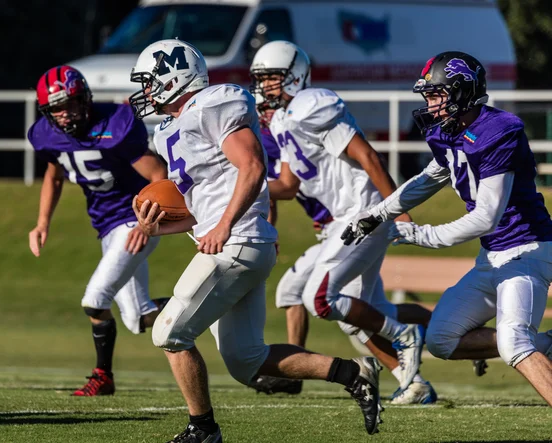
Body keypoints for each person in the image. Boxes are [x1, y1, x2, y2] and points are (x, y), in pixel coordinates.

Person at [130, 39, 383, 441]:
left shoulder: (211, 105)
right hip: (232, 241)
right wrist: (153, 226)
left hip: (238, 240)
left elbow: (251, 165)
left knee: (168, 333)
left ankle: (203, 429)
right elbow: (199, 209)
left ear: (174, 78)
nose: (144, 91)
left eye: (150, 81)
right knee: (247, 361)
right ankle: (354, 373)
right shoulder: (168, 131)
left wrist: (226, 226)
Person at [342, 51, 552, 406]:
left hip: (527, 251)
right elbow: (428, 179)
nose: (431, 104)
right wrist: (377, 213)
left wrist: (420, 234)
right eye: (428, 96)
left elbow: (487, 216)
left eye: (437, 95)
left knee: (514, 343)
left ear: (463, 91)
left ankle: (526, 347)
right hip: (492, 257)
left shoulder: (499, 131)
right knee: (441, 340)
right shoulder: (447, 133)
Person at [250, 40, 432, 397]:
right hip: (344, 221)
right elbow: (287, 186)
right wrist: (237, 186)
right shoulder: (284, 120)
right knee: (360, 315)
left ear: (294, 76)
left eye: (272, 78)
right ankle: (414, 384)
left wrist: (399, 209)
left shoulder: (309, 105)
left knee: (318, 299)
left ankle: (406, 334)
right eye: (262, 79)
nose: (265, 86)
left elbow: (368, 156)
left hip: (363, 213)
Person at [28, 65, 169, 396]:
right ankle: (210, 307)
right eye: (56, 108)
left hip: (135, 219)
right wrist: (42, 223)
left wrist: (147, 226)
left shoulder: (114, 125)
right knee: (138, 317)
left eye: (70, 104)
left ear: (85, 98)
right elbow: (53, 175)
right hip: (106, 225)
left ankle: (102, 376)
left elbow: (159, 175)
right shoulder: (48, 135)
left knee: (94, 300)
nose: (64, 114)